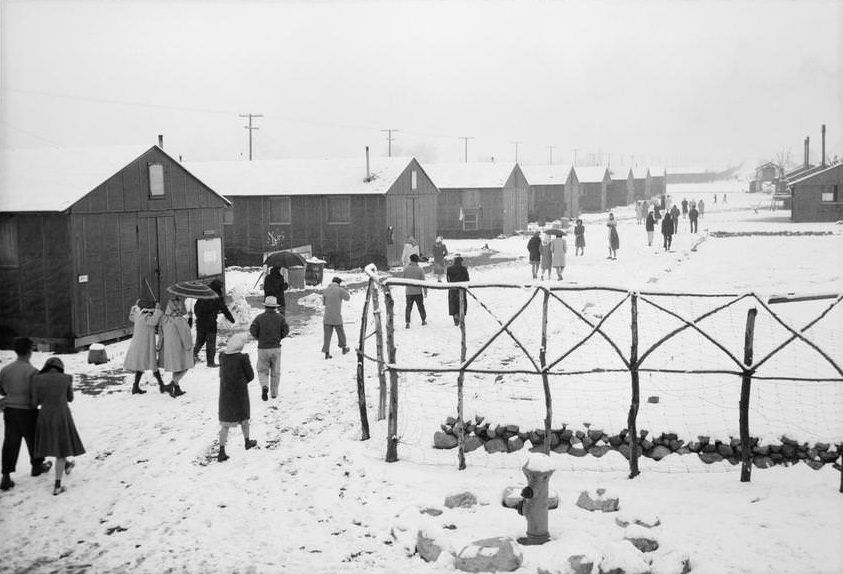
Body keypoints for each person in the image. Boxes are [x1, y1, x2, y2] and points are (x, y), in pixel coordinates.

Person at [0, 337, 51, 491]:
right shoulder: (33, 372)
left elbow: (1, 390)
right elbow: (37, 395)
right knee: (34, 439)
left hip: (10, 411)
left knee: (10, 442)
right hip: (28, 410)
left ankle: (6, 476)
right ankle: (37, 466)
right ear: (30, 351)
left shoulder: (5, 370)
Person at [31, 357, 85, 496]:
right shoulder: (66, 378)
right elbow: (70, 398)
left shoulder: (37, 379)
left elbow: (34, 402)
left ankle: (66, 465)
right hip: (61, 416)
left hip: (45, 416)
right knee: (61, 450)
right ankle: (57, 485)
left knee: (55, 444)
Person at [216, 333, 257, 462]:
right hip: (240, 393)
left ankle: (221, 451)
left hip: (225, 394)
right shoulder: (243, 358)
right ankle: (247, 441)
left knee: (225, 424)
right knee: (244, 419)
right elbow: (250, 376)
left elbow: (220, 375)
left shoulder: (222, 357)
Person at [249, 296, 290, 401]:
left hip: (263, 348)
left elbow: (252, 329)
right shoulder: (280, 318)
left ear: (265, 306)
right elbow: (286, 330)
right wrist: (279, 337)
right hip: (276, 348)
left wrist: (259, 338)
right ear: (275, 307)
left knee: (262, 370)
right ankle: (274, 393)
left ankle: (264, 386)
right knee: (275, 371)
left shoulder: (259, 318)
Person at [124, 299, 167, 394]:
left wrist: (134, 307)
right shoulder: (146, 317)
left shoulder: (137, 315)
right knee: (153, 364)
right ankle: (162, 386)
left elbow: (131, 317)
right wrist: (158, 309)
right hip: (146, 345)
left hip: (139, 345)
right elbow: (154, 321)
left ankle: (135, 387)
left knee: (141, 365)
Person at [193, 279, 235, 368]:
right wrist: (231, 319)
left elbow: (196, 307)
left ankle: (190, 357)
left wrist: (199, 317)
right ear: (218, 287)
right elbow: (223, 308)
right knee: (211, 342)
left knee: (200, 341)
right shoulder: (217, 295)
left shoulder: (204, 293)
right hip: (210, 323)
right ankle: (210, 362)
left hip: (200, 322)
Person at [158, 296, 194, 398]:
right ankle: (172, 384)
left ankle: (176, 388)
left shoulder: (164, 318)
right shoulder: (179, 319)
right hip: (180, 347)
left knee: (176, 368)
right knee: (185, 366)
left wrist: (160, 345)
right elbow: (186, 332)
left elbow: (160, 332)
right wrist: (190, 318)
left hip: (169, 348)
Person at [322, 276, 350, 359]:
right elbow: (348, 298)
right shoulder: (340, 290)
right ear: (339, 283)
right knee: (340, 333)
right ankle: (344, 348)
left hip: (327, 316)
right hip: (337, 317)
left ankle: (326, 353)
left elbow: (324, 303)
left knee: (327, 336)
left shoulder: (326, 290)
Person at [402, 253, 427, 328]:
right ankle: (423, 320)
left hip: (409, 292)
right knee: (421, 307)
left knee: (408, 307)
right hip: (418, 292)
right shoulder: (420, 269)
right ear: (417, 261)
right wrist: (425, 291)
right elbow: (423, 282)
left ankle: (407, 322)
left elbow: (403, 279)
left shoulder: (406, 269)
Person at [446, 254, 470, 326]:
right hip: (461, 288)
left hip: (452, 288)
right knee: (462, 303)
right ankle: (461, 316)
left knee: (453, 303)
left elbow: (448, 280)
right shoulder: (464, 269)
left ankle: (455, 318)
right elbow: (467, 279)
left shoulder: (449, 269)